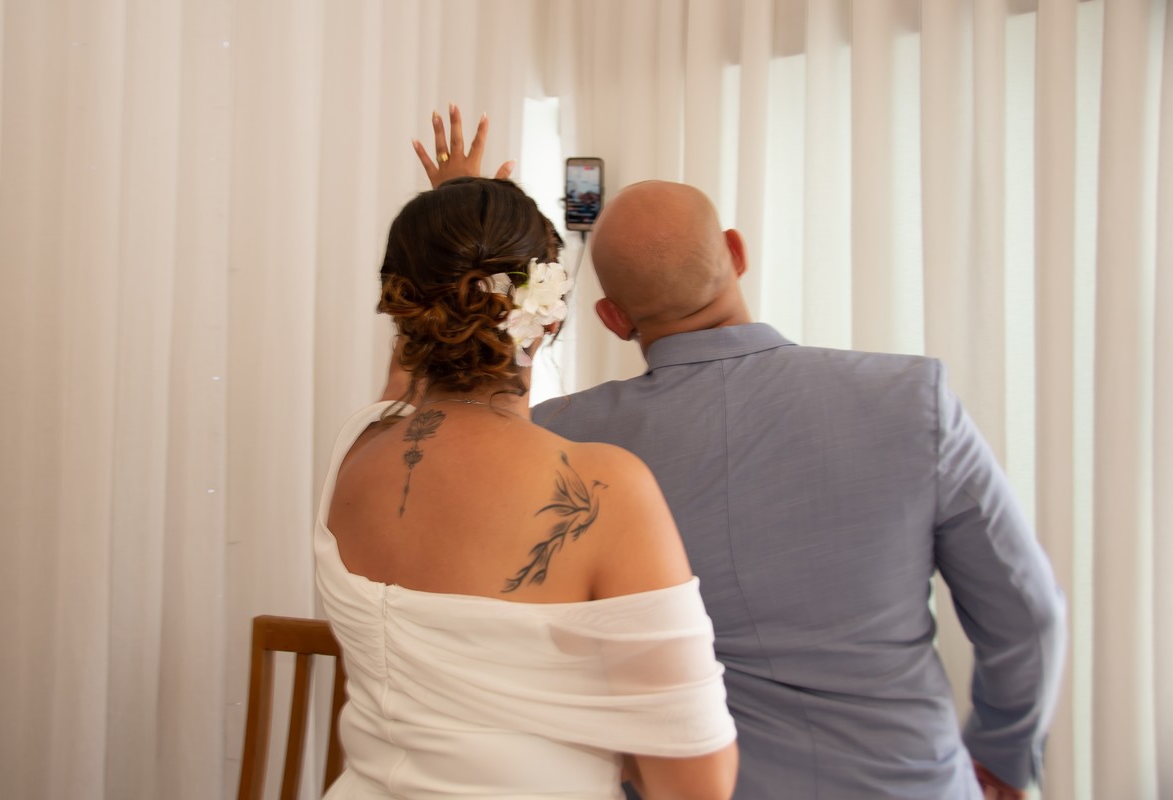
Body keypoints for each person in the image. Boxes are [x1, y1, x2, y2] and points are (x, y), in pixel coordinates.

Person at [531, 180, 1067, 799]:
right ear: (736, 253)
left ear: (613, 318)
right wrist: (1003, 752)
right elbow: (1028, 613)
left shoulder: (558, 439)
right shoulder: (912, 399)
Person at [315, 108, 738, 800]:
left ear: (403, 309)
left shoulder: (356, 452)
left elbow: (405, 377)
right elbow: (699, 785)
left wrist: (454, 218)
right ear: (552, 309)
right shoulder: (605, 488)